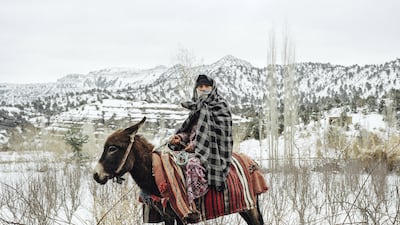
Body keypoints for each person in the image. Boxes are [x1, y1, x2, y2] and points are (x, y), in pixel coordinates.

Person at [170, 74, 233, 194]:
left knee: (193, 165)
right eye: (200, 86)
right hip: (191, 149)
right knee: (169, 161)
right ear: (196, 89)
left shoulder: (221, 106)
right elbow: (189, 131)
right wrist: (180, 137)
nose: (203, 89)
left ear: (212, 88)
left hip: (213, 151)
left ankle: (197, 199)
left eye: (206, 86)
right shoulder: (197, 107)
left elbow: (220, 136)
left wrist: (195, 146)